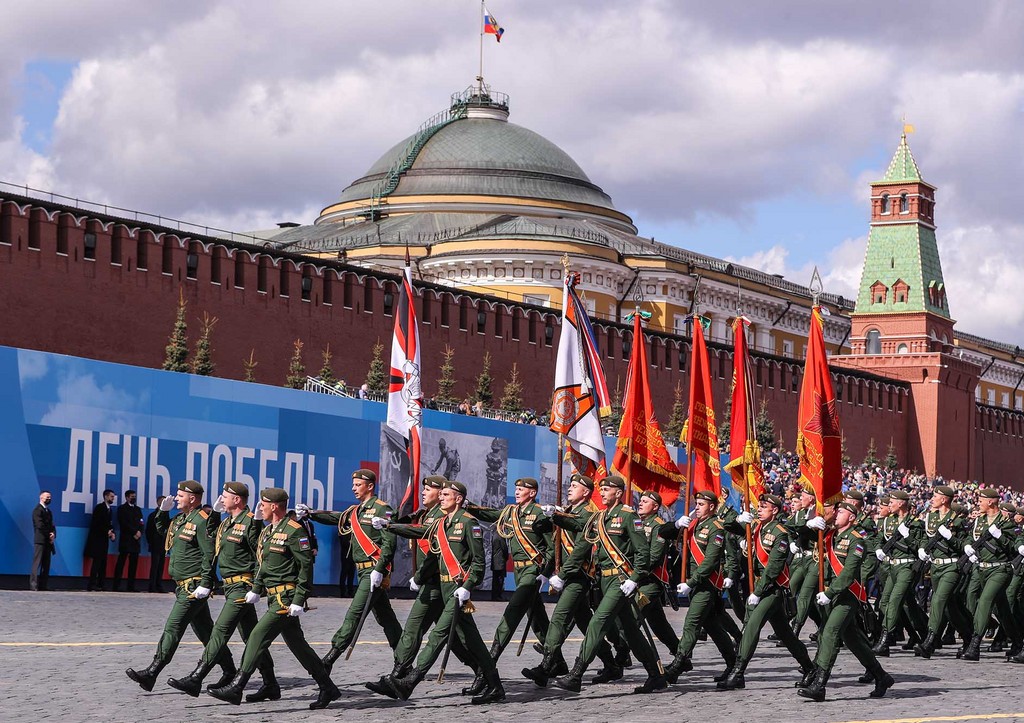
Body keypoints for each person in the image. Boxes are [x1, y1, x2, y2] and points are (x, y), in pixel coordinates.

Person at [373, 480, 505, 704]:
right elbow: (421, 532)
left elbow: (479, 562)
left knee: (438, 635)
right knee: (473, 642)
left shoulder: (468, 523)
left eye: (446, 494)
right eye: (441, 494)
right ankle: (495, 686)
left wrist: (468, 586)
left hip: (457, 589)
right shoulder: (442, 523)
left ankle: (410, 682)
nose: (441, 497)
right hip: (443, 588)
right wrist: (389, 526)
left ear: (459, 498)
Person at [208, 487, 341, 709]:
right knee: (299, 646)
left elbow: (306, 565)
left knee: (256, 637)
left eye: (263, 504)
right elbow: (263, 564)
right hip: (273, 596)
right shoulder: (268, 532)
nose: (260, 507)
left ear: (274, 506)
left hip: (285, 598)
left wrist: (300, 598)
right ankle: (328, 687)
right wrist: (257, 588)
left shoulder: (294, 531)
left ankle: (237, 687)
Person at [552, 475, 665, 694]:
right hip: (604, 580)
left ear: (619, 493)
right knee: (631, 633)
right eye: (601, 489)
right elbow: (578, 524)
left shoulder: (629, 516)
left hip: (621, 581)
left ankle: (576, 674)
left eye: (607, 489)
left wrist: (634, 579)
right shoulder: (600, 517)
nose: (602, 493)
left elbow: (643, 553)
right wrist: (555, 516)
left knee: (597, 622)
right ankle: (656, 674)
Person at [167, 481, 278, 700]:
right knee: (251, 638)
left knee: (219, 631)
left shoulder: (249, 522)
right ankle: (271, 683)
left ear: (236, 499)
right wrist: (216, 515)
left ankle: (196, 678)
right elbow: (210, 539)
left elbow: (260, 557)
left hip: (242, 587)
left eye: (224, 496)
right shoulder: (227, 522)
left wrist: (257, 587)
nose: (221, 499)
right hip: (230, 586)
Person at [125, 481, 236, 692]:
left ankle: (152, 672)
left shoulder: (202, 521)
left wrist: (206, 583)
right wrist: (161, 513)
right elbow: (163, 532)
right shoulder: (180, 519)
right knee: (206, 632)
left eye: (179, 495)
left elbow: (209, 553)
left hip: (193, 587)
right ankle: (229, 670)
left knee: (173, 627)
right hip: (182, 585)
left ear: (192, 498)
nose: (175, 498)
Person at [296, 468, 402, 674]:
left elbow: (389, 543)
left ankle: (329, 660)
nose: (353, 488)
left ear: (370, 486)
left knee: (354, 613)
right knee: (386, 618)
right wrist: (311, 513)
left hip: (373, 572)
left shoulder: (383, 509)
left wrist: (380, 570)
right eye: (353, 485)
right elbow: (337, 518)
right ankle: (404, 660)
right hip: (362, 572)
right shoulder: (356, 511)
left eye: (357, 484)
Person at [527, 473, 622, 687]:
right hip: (568, 575)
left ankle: (546, 665)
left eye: (574, 486)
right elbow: (555, 545)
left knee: (560, 617)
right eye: (569, 485)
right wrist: (546, 571)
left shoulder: (588, 514)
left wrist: (562, 574)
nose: (569, 489)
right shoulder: (568, 512)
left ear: (586, 492)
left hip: (579, 575)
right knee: (585, 622)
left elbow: (581, 550)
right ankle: (611, 664)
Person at [463, 477, 554, 695]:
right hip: (521, 570)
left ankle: (487, 670)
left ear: (532, 493)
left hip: (532, 570)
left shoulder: (540, 513)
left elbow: (552, 548)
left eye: (522, 489)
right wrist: (469, 507)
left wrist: (545, 573)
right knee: (538, 619)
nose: (518, 491)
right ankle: (556, 661)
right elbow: (490, 514)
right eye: (517, 488)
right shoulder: (511, 512)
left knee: (511, 615)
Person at [797, 501, 893, 701]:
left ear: (851, 517)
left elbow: (848, 574)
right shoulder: (830, 535)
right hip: (831, 595)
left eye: (841, 511)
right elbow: (801, 537)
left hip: (846, 596)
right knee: (854, 641)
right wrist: (809, 525)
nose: (836, 513)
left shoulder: (856, 540)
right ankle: (881, 676)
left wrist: (830, 593)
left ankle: (820, 684)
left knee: (830, 633)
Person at [718, 494, 814, 690]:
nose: (759, 509)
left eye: (764, 507)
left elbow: (774, 567)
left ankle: (738, 672)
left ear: (775, 510)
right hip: (759, 588)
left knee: (752, 626)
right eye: (758, 506)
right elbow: (726, 526)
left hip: (772, 590)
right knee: (785, 634)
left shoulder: (779, 533)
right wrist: (737, 519)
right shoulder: (754, 526)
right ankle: (809, 667)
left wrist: (758, 592)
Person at [661, 490, 738, 684]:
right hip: (696, 585)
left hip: (706, 585)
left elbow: (710, 561)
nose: (696, 507)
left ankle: (678, 664)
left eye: (701, 504)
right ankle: (734, 666)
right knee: (714, 628)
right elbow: (663, 533)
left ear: (711, 507)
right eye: (696, 504)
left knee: (691, 624)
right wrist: (677, 525)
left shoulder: (716, 528)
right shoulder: (693, 524)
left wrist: (690, 582)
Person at [959, 487, 1022, 661]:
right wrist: (968, 545)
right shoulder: (979, 520)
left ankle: (975, 644)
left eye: (981, 500)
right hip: (981, 569)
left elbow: (1012, 547)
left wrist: (1000, 536)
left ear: (991, 502)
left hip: (1000, 569)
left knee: (985, 601)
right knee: (1002, 610)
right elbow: (970, 537)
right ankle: (1017, 642)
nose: (978, 503)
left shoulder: (1006, 522)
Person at [85, 489, 116, 591]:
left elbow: (110, 524)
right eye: (111, 496)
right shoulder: (99, 508)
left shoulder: (110, 510)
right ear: (106, 496)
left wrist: (112, 533)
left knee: (103, 562)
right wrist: (106, 531)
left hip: (104, 541)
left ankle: (101, 584)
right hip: (97, 540)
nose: (113, 498)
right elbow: (96, 524)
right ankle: (92, 584)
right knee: (96, 563)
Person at [114, 489, 145, 592]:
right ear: (127, 497)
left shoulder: (138, 509)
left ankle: (131, 586)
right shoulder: (122, 509)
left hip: (136, 541)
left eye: (134, 496)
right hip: (126, 540)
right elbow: (123, 523)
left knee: (133, 565)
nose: (134, 498)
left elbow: (141, 522)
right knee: (121, 563)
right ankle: (116, 585)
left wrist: (139, 532)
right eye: (132, 496)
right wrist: (134, 532)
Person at [30, 491, 56, 591]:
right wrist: (48, 534)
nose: (49, 499)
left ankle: (43, 585)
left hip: (48, 541)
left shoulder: (48, 511)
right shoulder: (37, 510)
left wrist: (53, 533)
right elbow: (39, 526)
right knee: (37, 563)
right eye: (47, 497)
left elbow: (52, 525)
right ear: (41, 498)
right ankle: (34, 585)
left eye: (50, 497)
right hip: (40, 540)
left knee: (46, 564)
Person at [146, 498, 168, 593]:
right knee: (155, 566)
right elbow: (148, 531)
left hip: (163, 545)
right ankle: (152, 586)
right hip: (155, 544)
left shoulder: (166, 514)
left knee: (161, 566)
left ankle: (159, 585)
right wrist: (151, 542)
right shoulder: (153, 515)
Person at [490, 530, 508, 601]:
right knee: (499, 580)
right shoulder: (500, 536)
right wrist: (506, 557)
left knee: (495, 580)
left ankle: (494, 596)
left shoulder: (494, 535)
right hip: (500, 560)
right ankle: (498, 596)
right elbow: (504, 548)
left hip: (495, 560)